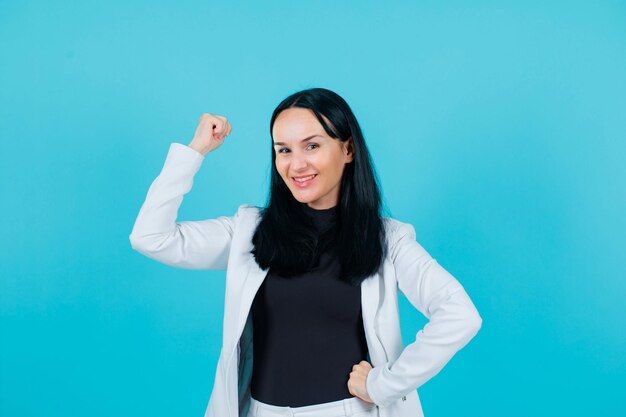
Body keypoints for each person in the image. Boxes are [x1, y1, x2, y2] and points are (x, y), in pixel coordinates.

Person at [129, 87, 482, 417]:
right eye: (283, 149)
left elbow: (459, 315)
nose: (296, 164)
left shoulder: (387, 239)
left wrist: (385, 385)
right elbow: (151, 237)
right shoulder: (249, 231)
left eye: (311, 146)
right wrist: (194, 151)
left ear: (347, 149)